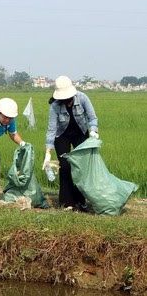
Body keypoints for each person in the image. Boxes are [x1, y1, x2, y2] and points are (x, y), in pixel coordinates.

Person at [44, 76, 98, 210]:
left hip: (81, 133)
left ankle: (80, 200)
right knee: (65, 166)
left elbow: (92, 118)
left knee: (81, 167)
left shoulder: (82, 98)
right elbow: (52, 129)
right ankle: (67, 203)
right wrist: (48, 153)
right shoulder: (55, 106)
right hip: (62, 136)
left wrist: (93, 131)